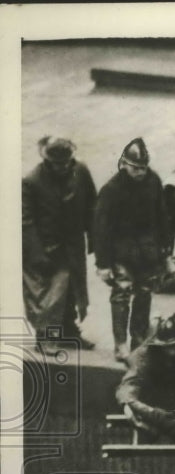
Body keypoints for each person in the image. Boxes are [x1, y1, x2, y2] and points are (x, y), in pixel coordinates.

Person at [93, 137, 172, 362]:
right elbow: (101, 229)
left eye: (143, 168)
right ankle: (120, 345)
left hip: (148, 252)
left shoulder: (153, 180)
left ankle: (138, 341)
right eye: (136, 168)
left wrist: (166, 252)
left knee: (145, 293)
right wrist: (103, 264)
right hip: (121, 253)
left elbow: (162, 216)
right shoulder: (111, 190)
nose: (140, 172)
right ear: (124, 164)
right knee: (121, 295)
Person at [22, 136, 96, 353]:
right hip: (45, 249)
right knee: (48, 298)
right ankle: (46, 338)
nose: (63, 167)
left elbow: (92, 205)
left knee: (73, 290)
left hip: (72, 244)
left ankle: (69, 332)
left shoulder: (80, 171)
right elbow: (25, 222)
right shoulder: (31, 180)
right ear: (47, 161)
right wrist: (37, 254)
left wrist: (94, 239)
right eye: (57, 164)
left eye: (66, 163)